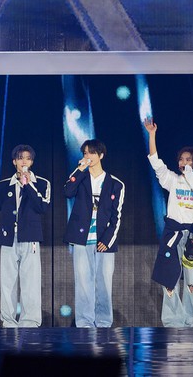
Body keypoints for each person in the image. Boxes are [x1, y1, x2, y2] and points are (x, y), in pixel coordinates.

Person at [143, 118, 193, 327]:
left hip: (192, 236)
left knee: (192, 280)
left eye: (188, 160)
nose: (184, 163)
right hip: (173, 234)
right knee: (169, 280)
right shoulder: (173, 180)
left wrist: (190, 174)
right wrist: (152, 135)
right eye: (182, 160)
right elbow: (155, 162)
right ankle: (173, 320)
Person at [0, 145, 51, 327]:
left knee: (31, 281)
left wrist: (28, 185)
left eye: (27, 158)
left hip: (30, 238)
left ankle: (30, 321)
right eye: (20, 158)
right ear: (14, 162)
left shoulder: (42, 183)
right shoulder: (4, 185)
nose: (24, 161)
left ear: (32, 162)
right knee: (8, 282)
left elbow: (42, 206)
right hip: (8, 238)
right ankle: (9, 321)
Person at [64, 139, 125, 328]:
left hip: (104, 241)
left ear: (101, 155)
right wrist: (80, 170)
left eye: (91, 152)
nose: (87, 156)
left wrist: (107, 240)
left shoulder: (116, 184)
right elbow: (68, 191)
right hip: (81, 239)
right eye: (85, 153)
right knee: (83, 283)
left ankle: (104, 323)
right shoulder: (80, 177)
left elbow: (116, 216)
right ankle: (84, 323)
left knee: (104, 283)